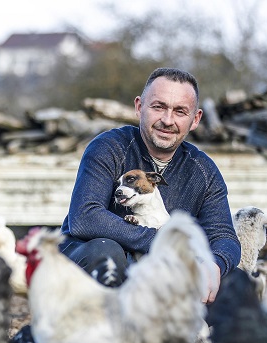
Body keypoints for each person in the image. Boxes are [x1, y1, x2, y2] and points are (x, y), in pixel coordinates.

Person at [59, 67, 240, 303]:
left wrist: (214, 265)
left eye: (180, 111)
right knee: (106, 253)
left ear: (195, 119)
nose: (167, 120)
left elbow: (224, 235)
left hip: (159, 273)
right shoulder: (109, 147)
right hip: (91, 263)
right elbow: (85, 217)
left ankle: (185, 335)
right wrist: (162, 243)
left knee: (232, 282)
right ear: (139, 107)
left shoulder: (203, 171)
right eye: (158, 107)